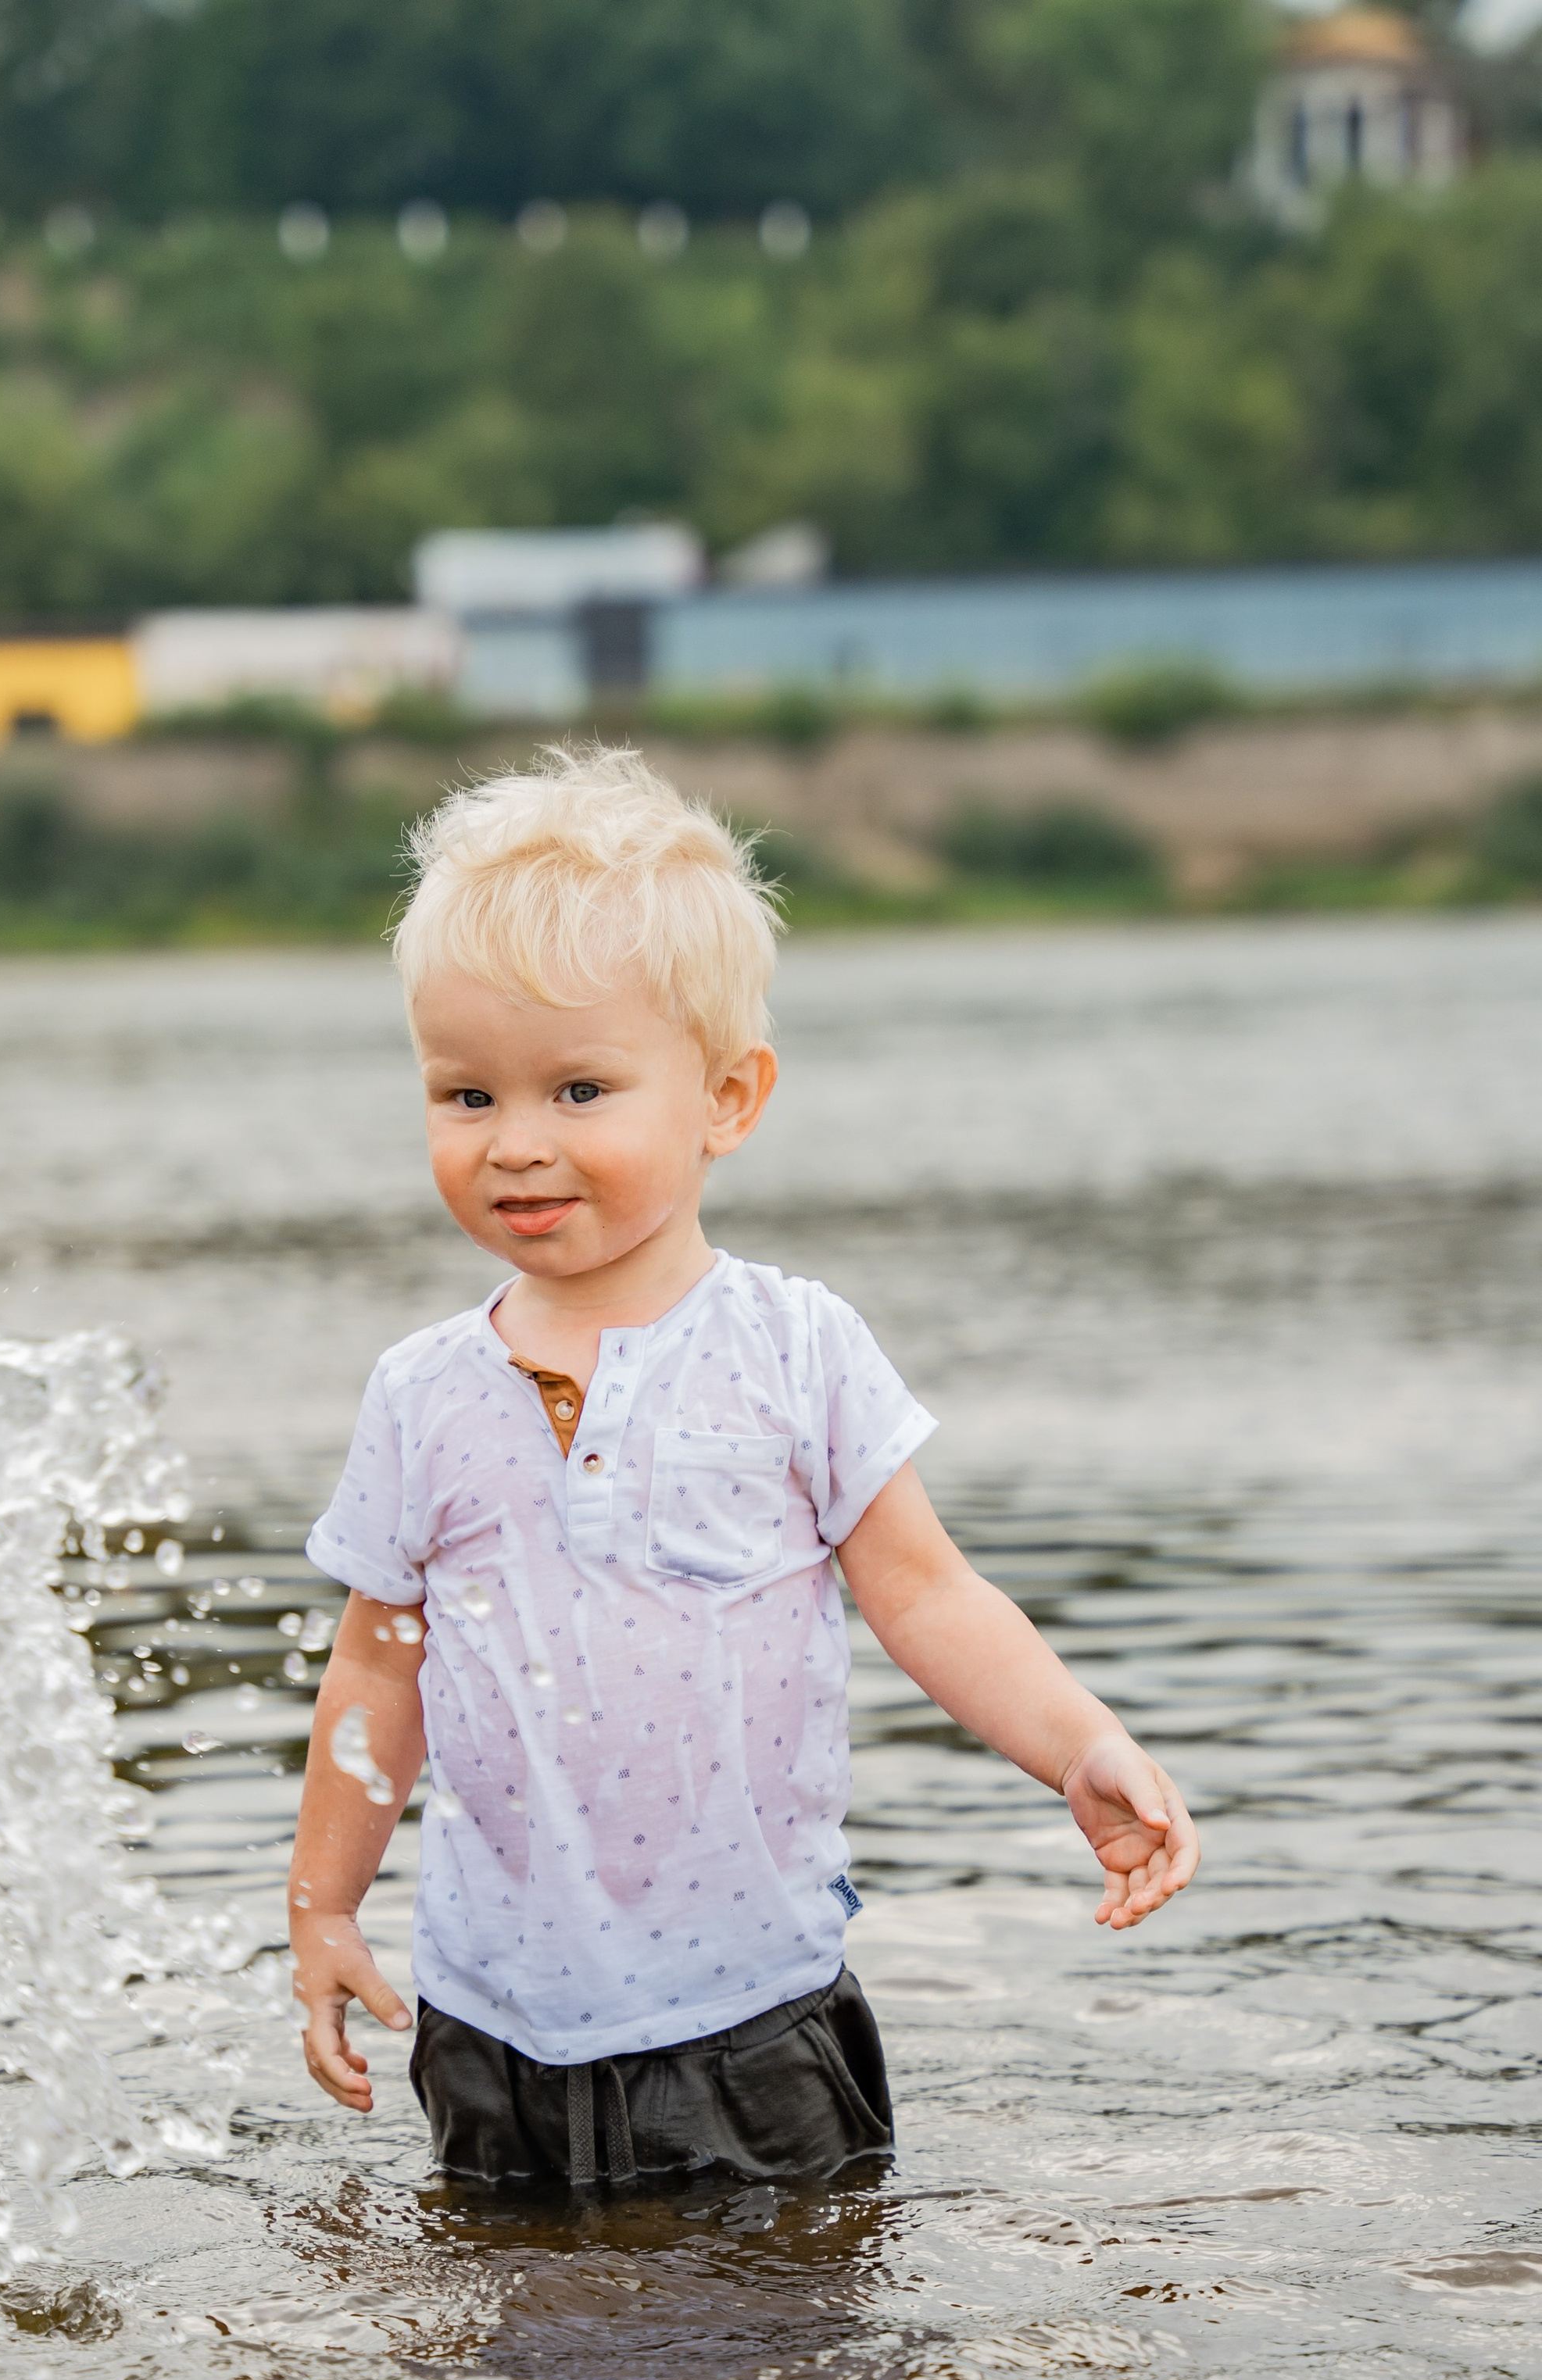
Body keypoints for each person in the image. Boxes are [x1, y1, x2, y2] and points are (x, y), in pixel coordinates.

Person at [289, 745, 1197, 2188]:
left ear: (727, 1099)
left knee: (796, 2359)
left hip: (752, 2017)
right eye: (467, 1097)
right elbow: (375, 1673)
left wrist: (1078, 1743)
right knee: (503, 2378)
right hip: (490, 2021)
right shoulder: (421, 1394)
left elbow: (928, 1596)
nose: (517, 1145)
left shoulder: (796, 1348)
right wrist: (324, 1908)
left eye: (580, 1089)